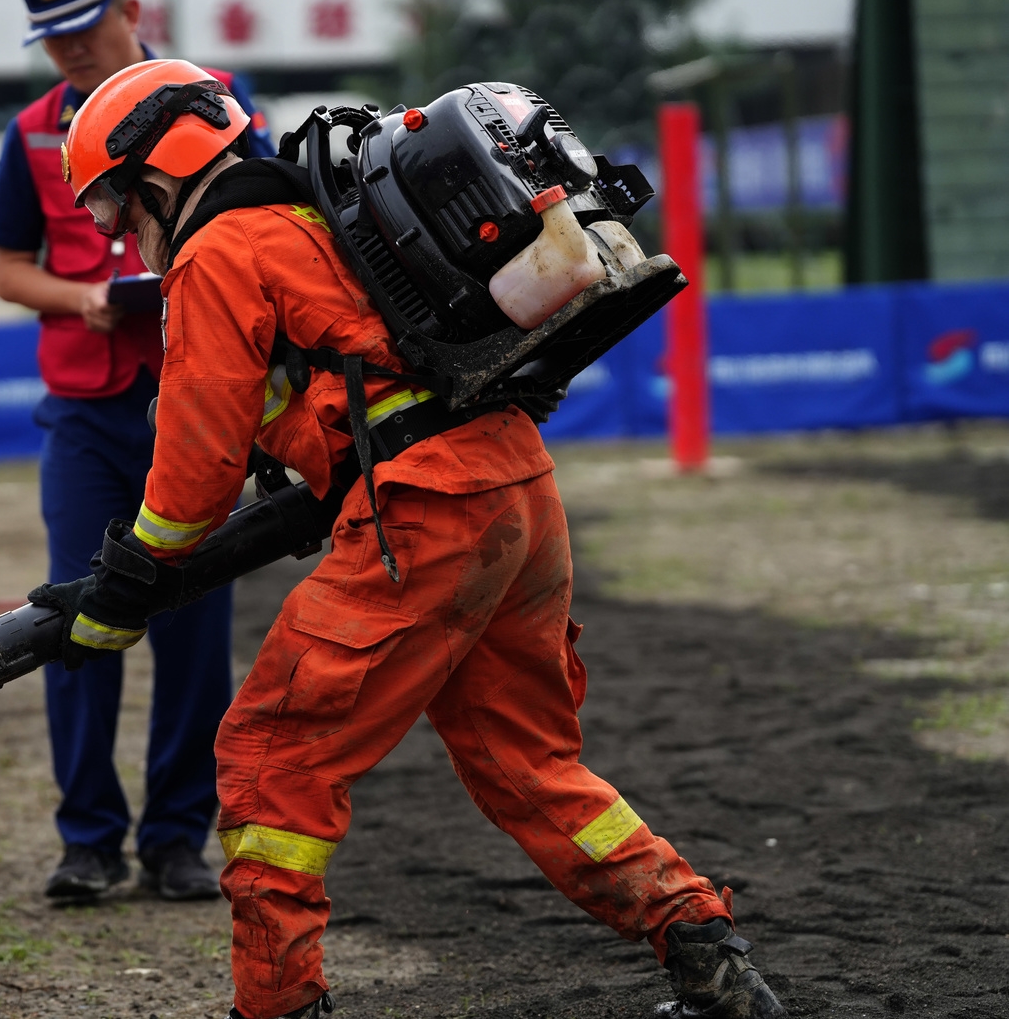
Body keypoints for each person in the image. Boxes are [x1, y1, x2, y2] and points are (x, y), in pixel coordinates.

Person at [40, 59, 788, 1019]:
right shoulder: (313, 215)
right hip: (513, 485)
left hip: (426, 509)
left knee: (271, 759)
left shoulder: (219, 251)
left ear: (160, 173)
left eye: (112, 209)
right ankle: (706, 950)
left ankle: (277, 1005)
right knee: (530, 764)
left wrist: (122, 584)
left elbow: (192, 475)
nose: (119, 238)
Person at [0, 0, 276, 903]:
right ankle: (87, 839)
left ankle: (176, 839)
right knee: (75, 615)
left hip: (199, 402)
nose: (66, 48)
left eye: (81, 25)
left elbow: (272, 224)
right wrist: (84, 299)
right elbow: (4, 267)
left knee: (193, 629)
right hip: (84, 411)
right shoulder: (31, 131)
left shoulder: (217, 99)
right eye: (49, 35)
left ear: (129, 9)